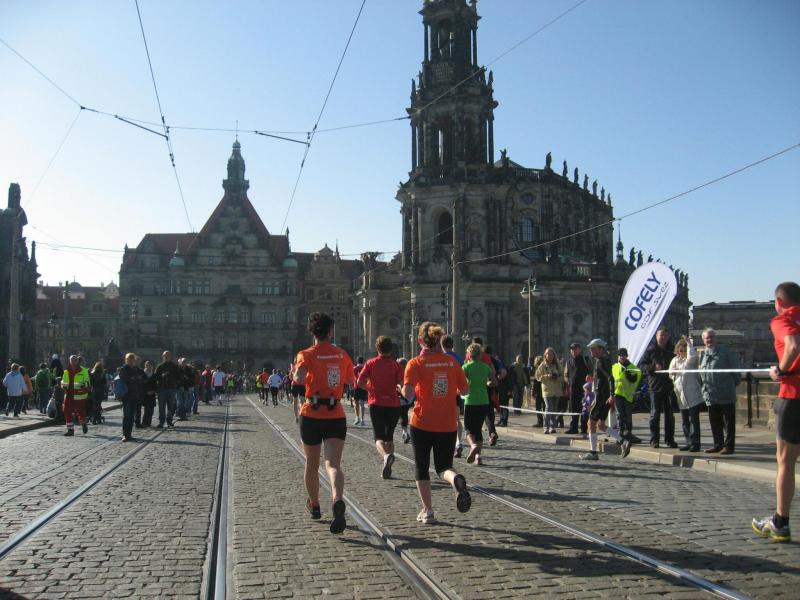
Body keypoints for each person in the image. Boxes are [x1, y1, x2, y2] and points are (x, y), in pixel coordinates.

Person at [403, 322, 471, 524]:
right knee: (444, 467)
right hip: (448, 423)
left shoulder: (415, 363)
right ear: (439, 340)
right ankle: (455, 479)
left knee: (422, 467)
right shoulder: (451, 363)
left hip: (422, 423)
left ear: (420, 340)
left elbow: (408, 395)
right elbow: (465, 391)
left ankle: (428, 511)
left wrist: (402, 388)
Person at [293, 312, 355, 534]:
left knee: (311, 464)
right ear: (330, 332)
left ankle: (315, 505)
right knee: (333, 465)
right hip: (335, 413)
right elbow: (351, 380)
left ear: (312, 332)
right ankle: (337, 499)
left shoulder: (306, 354)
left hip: (311, 413)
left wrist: (298, 373)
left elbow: (299, 379)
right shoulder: (341, 355)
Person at [753, 281, 800, 543]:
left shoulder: (783, 319)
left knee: (786, 462)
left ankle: (780, 522)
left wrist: (781, 370)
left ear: (779, 302)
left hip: (793, 396)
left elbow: (793, 344)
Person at [357, 336, 404, 479]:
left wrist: (370, 389)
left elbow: (359, 381)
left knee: (378, 437)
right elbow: (401, 383)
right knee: (389, 437)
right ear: (391, 349)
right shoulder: (396, 365)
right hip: (393, 404)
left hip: (376, 403)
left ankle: (386, 457)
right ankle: (389, 465)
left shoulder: (371, 363)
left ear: (377, 348)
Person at [699, 328, 740, 454]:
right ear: (703, 340)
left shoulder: (725, 352)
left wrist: (731, 385)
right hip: (710, 394)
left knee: (728, 423)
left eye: (711, 337)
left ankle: (729, 446)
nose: (709, 340)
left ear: (715, 338)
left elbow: (735, 370)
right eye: (707, 338)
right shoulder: (703, 354)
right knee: (715, 422)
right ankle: (717, 445)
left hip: (725, 393)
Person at [579, 339, 622, 460]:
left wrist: (612, 395)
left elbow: (610, 378)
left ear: (600, 349)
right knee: (601, 425)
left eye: (593, 348)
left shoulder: (601, 362)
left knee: (591, 423)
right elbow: (602, 379)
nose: (591, 351)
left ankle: (593, 453)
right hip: (602, 396)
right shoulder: (603, 360)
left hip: (603, 397)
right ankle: (623, 441)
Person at [641, 327, 677, 449]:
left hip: (670, 386)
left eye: (665, 335)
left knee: (669, 415)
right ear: (656, 336)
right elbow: (642, 366)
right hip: (655, 386)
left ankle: (669, 440)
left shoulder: (672, 349)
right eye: (661, 335)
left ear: (668, 337)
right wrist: (652, 367)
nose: (663, 337)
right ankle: (654, 440)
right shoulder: (650, 350)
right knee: (654, 414)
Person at [462, 343, 495, 465]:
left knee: (468, 429)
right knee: (478, 430)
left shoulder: (466, 367)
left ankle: (473, 445)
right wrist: (488, 383)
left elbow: (461, 384)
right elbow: (494, 381)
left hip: (470, 401)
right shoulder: (485, 367)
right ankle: (478, 457)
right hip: (483, 401)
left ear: (469, 355)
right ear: (480, 354)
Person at [669, 336, 703, 452]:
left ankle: (695, 443)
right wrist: (673, 373)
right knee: (685, 421)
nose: (681, 351)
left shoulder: (690, 360)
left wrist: (689, 344)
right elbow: (670, 374)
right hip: (681, 396)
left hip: (692, 395)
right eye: (680, 349)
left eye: (684, 349)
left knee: (694, 420)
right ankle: (688, 442)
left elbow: (692, 357)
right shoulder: (674, 360)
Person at [611, 348, 642, 458]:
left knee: (627, 415)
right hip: (618, 394)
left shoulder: (632, 367)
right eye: (620, 355)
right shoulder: (615, 367)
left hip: (628, 396)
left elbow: (637, 378)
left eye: (623, 355)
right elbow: (612, 379)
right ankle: (621, 434)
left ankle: (628, 433)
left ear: (626, 356)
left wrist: (631, 377)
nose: (622, 357)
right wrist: (611, 393)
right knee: (620, 415)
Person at [441, 336, 465, 456]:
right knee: (456, 419)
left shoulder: (440, 358)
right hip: (455, 392)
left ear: (442, 346)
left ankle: (445, 442)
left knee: (441, 418)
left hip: (442, 390)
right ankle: (458, 443)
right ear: (452, 345)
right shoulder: (459, 358)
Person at [564, 342, 592, 434]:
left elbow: (591, 371)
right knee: (574, 409)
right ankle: (574, 428)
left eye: (576, 349)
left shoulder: (586, 359)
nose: (574, 351)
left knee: (584, 409)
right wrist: (568, 381)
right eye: (572, 349)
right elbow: (566, 374)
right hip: (573, 389)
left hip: (585, 389)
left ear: (580, 350)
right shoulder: (568, 361)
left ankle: (584, 428)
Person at [61, 354, 91, 436]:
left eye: (75, 360)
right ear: (70, 361)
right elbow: (63, 381)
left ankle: (83, 423)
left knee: (80, 411)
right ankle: (70, 430)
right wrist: (63, 385)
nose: (73, 362)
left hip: (79, 394)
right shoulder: (66, 371)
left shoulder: (84, 370)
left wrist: (83, 386)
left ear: (77, 361)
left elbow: (87, 382)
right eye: (72, 360)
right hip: (68, 394)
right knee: (66, 411)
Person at [118, 353, 144, 441]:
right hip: (126, 396)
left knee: (132, 416)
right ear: (126, 360)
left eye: (132, 360)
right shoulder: (123, 369)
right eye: (129, 360)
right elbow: (126, 379)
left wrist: (134, 379)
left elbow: (140, 380)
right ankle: (125, 435)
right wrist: (134, 379)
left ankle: (129, 434)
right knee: (126, 416)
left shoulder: (136, 369)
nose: (131, 361)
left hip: (135, 395)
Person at [535, 348, 562, 434]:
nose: (550, 356)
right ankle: (545, 427)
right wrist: (547, 376)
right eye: (548, 354)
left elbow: (563, 377)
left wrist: (556, 377)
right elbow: (537, 376)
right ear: (545, 355)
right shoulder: (543, 365)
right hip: (547, 391)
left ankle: (552, 427)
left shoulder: (558, 364)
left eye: (551, 354)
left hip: (556, 390)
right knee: (549, 408)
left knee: (554, 409)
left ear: (554, 355)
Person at [155, 351, 180, 428]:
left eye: (168, 355)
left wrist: (175, 383)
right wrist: (162, 375)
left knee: (171, 406)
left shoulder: (174, 366)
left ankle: (169, 421)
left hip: (172, 389)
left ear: (170, 356)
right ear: (163, 357)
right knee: (161, 407)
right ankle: (161, 422)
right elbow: (155, 377)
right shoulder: (160, 366)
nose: (166, 357)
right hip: (162, 389)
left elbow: (178, 376)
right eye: (165, 356)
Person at [396, 357, 412, 443]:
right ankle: (404, 432)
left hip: (399, 398)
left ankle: (404, 432)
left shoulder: (397, 373)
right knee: (404, 415)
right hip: (408, 399)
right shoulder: (409, 373)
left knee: (398, 415)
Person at [141, 360, 157, 427]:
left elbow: (156, 384)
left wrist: (154, 391)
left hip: (152, 394)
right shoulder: (143, 374)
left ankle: (149, 422)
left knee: (151, 409)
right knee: (146, 409)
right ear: (145, 366)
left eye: (150, 365)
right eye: (147, 365)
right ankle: (144, 422)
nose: (149, 366)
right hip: (145, 394)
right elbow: (141, 384)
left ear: (152, 366)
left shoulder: (154, 374)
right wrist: (145, 391)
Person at [352, 357, 367, 426]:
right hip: (363, 387)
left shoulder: (354, 368)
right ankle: (362, 419)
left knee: (356, 403)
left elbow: (352, 377)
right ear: (363, 361)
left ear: (357, 361)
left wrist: (351, 385)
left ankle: (357, 417)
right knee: (362, 403)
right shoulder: (365, 368)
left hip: (356, 387)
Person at [531, 355, 545, 428]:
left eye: (535, 361)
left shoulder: (538, 370)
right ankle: (543, 421)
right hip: (542, 390)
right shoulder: (543, 368)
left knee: (539, 407)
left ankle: (540, 422)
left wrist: (533, 392)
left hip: (539, 391)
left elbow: (536, 382)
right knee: (544, 407)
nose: (534, 362)